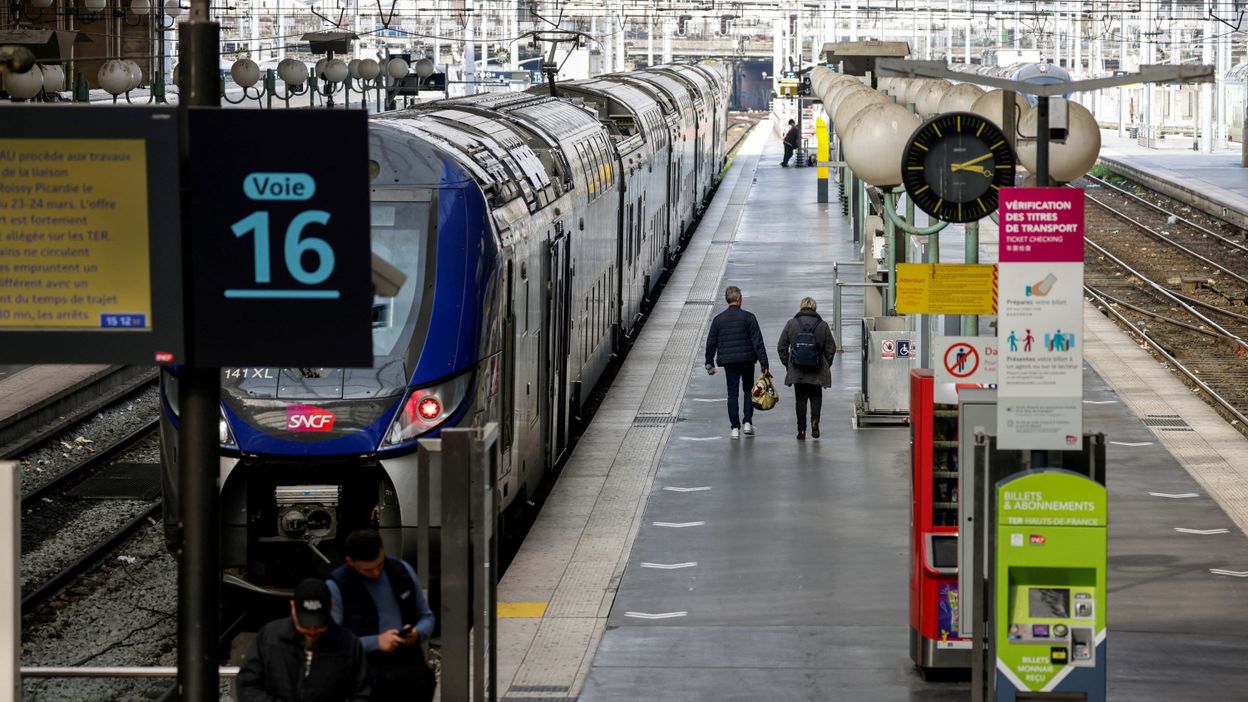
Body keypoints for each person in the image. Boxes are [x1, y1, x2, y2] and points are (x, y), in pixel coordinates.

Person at [327, 530, 437, 702]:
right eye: (367, 570)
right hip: (366, 673)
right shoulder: (337, 586)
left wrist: (417, 633)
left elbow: (426, 616)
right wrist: (377, 642)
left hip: (408, 668)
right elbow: (334, 641)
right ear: (350, 562)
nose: (376, 573)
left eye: (379, 564)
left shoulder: (402, 571)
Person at [236, 578, 370, 702]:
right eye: (305, 625)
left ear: (330, 608)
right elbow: (247, 686)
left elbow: (363, 694)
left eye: (318, 625)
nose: (312, 631)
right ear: (293, 607)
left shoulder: (349, 645)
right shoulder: (270, 637)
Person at [705, 286, 770, 439]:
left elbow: (711, 342)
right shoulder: (749, 317)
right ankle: (747, 422)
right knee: (748, 390)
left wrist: (709, 362)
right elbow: (758, 343)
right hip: (747, 361)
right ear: (739, 299)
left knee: (732, 393)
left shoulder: (718, 320)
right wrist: (764, 364)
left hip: (729, 362)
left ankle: (735, 428)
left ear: (727, 299)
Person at [776, 297, 837, 440]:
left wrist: (789, 364)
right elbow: (831, 348)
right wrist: (825, 364)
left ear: (801, 307)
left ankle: (801, 431)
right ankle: (815, 421)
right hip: (817, 369)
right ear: (814, 308)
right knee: (816, 397)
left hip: (798, 370)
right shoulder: (822, 325)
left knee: (800, 399)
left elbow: (781, 347)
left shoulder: (791, 324)